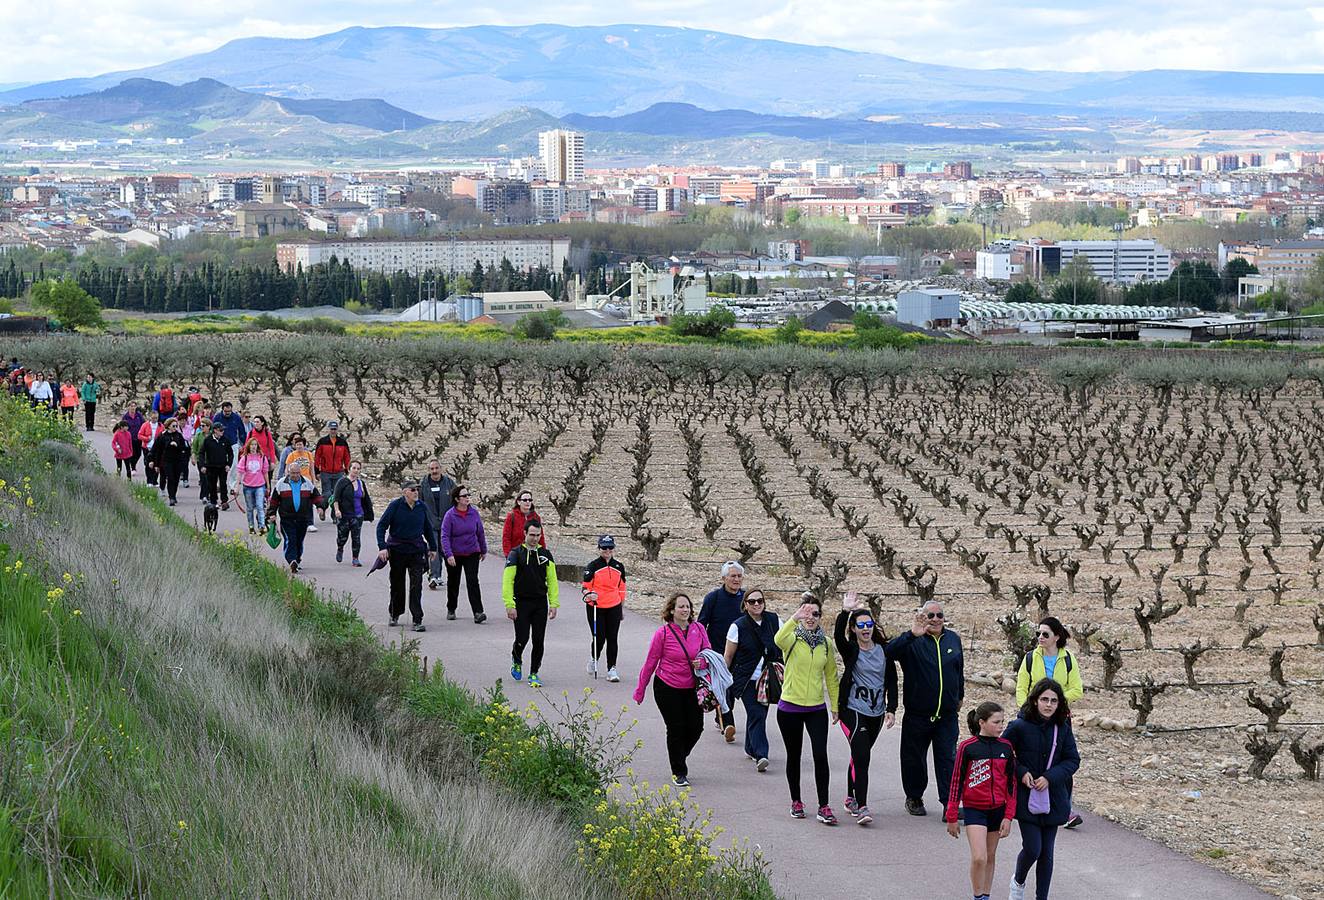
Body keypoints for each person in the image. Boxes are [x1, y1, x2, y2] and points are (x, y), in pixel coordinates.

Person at [1003, 680, 1080, 900]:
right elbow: (1003, 755)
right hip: (1026, 797)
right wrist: (1021, 772)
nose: (1048, 704)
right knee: (1033, 848)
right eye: (1044, 699)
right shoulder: (1018, 726)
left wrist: (1050, 777)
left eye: (1054, 701)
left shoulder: (1062, 728)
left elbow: (1072, 759)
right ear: (1035, 700)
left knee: (1047, 854)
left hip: (1053, 798)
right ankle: (1018, 881)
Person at [888, 599, 965, 817]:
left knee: (948, 759)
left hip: (947, 715)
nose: (935, 620)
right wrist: (912, 634)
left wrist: (960, 694)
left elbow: (959, 670)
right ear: (921, 617)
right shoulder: (912, 640)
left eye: (939, 615)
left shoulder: (953, 639)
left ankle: (948, 805)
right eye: (930, 616)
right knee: (914, 759)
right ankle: (914, 797)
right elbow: (887, 653)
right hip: (918, 714)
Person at [634, 592, 711, 788]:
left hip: (692, 686)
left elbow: (708, 653)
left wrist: (701, 662)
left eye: (688, 607)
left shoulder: (699, 629)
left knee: (696, 727)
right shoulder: (663, 634)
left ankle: (678, 755)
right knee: (676, 728)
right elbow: (651, 662)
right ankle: (679, 771)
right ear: (671, 610)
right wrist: (640, 689)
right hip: (667, 686)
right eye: (681, 607)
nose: (685, 610)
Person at [834, 592, 898, 826]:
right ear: (853, 629)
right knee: (862, 757)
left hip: (876, 712)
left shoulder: (884, 651)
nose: (865, 629)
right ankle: (862, 806)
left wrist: (891, 708)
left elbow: (891, 679)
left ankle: (850, 797)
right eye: (860, 625)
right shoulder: (851, 650)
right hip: (852, 710)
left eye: (868, 624)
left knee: (858, 756)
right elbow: (837, 638)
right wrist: (844, 611)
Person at [775, 595, 840, 825]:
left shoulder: (826, 643)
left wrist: (835, 706)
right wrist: (794, 618)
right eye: (806, 613)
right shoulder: (791, 638)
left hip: (816, 708)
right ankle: (796, 801)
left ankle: (824, 806)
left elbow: (831, 676)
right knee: (794, 755)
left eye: (815, 614)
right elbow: (778, 638)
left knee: (820, 755)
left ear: (821, 617)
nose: (810, 617)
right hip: (789, 706)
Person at [1016, 616, 1085, 829]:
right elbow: (1021, 688)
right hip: (1032, 719)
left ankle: (1065, 809)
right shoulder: (1029, 658)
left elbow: (1077, 689)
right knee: (1032, 760)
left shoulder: (1068, 659)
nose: (1040, 638)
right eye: (1038, 633)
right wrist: (1029, 709)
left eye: (1045, 634)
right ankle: (1030, 804)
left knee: (1062, 763)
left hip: (1060, 719)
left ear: (1057, 636)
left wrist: (1054, 700)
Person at [947, 702, 1017, 900]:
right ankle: (977, 896)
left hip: (998, 809)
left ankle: (986, 895)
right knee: (979, 857)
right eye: (996, 722)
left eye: (1002, 721)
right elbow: (956, 782)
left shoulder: (1006, 747)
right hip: (974, 809)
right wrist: (952, 814)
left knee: (990, 856)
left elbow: (1012, 784)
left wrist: (1009, 816)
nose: (1001, 726)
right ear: (982, 723)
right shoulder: (967, 748)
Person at [723, 588, 781, 773]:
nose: (757, 604)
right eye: (752, 601)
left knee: (759, 714)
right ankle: (761, 754)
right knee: (756, 713)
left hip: (768, 679)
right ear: (745, 605)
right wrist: (723, 679)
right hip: (746, 679)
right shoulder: (737, 626)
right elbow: (729, 656)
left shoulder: (774, 621)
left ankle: (750, 747)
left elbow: (786, 642)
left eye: (760, 601)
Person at [375, 480, 438, 631]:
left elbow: (428, 528)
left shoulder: (421, 507)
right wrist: (382, 547)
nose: (416, 492)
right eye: (412, 489)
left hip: (416, 550)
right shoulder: (395, 506)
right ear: (405, 492)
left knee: (416, 585)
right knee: (397, 584)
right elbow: (381, 526)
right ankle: (395, 613)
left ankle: (417, 619)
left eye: (417, 489)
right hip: (397, 550)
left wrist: (433, 548)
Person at [502, 519, 558, 688]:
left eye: (538, 535)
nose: (535, 538)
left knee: (539, 640)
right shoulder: (515, 554)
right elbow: (507, 581)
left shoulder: (546, 555)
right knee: (523, 637)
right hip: (521, 602)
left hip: (540, 602)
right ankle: (516, 657)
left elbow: (553, 580)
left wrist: (554, 603)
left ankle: (534, 673)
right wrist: (509, 604)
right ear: (524, 534)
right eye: (532, 535)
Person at [698, 561, 746, 741]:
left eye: (739, 576)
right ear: (724, 578)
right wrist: (701, 648)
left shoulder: (746, 598)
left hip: (741, 653)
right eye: (732, 576)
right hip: (717, 652)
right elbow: (701, 624)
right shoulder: (713, 598)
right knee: (722, 687)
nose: (736, 579)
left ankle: (722, 715)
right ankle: (728, 724)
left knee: (732, 688)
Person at [581, 534, 627, 681]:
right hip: (596, 606)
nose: (607, 550)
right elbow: (585, 587)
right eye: (604, 547)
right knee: (599, 637)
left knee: (612, 638)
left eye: (610, 547)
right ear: (599, 548)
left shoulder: (619, 566)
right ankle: (594, 659)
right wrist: (590, 594)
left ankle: (611, 669)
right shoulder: (593, 566)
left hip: (614, 606)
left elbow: (622, 588)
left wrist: (621, 607)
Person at [266, 459, 324, 573]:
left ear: (300, 472)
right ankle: (291, 560)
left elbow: (316, 495)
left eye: (297, 473)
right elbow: (273, 501)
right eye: (293, 473)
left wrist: (320, 506)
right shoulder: (281, 484)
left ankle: (297, 559)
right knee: (290, 539)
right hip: (287, 518)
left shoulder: (307, 483)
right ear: (288, 472)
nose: (295, 475)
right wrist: (272, 514)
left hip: (303, 518)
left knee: (299, 540)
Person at [441, 484, 488, 624]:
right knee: (453, 582)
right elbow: (444, 536)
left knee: (473, 581)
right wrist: (448, 554)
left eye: (468, 495)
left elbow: (480, 532)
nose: (467, 498)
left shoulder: (474, 513)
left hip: (472, 552)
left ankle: (478, 612)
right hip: (455, 554)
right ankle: (451, 608)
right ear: (457, 499)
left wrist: (483, 549)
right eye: (464, 496)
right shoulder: (450, 515)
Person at [418, 459, 456, 590]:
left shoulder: (449, 483)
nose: (434, 471)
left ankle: (448, 575)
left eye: (436, 468)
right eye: (432, 469)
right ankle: (434, 576)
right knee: (433, 548)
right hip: (430, 522)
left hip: (446, 522)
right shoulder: (423, 484)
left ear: (441, 468)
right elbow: (419, 503)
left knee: (446, 549)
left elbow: (456, 501)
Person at [333, 460, 373, 566]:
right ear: (349, 469)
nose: (356, 470)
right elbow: (335, 498)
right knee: (343, 537)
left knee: (356, 538)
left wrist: (369, 513)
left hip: (358, 514)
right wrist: (337, 510)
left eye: (358, 468)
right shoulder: (342, 482)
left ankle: (355, 559)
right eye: (354, 468)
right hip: (344, 515)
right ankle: (340, 548)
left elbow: (365, 499)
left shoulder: (361, 483)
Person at [313, 421, 351, 523]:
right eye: (331, 429)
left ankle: (335, 515)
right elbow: (317, 457)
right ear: (328, 429)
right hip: (325, 472)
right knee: (327, 493)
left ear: (337, 430)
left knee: (337, 494)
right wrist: (317, 471)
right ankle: (323, 508)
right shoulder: (322, 441)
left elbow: (347, 457)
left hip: (339, 472)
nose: (333, 431)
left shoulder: (342, 442)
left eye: (335, 429)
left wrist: (347, 470)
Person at [235, 436, 271, 534]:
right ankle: (251, 526)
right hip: (248, 486)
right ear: (249, 446)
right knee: (250, 507)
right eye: (252, 445)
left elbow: (265, 472)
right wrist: (237, 486)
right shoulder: (245, 458)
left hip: (260, 485)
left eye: (255, 445)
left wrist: (268, 486)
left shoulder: (262, 457)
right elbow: (240, 473)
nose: (253, 447)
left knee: (260, 506)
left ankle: (261, 526)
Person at [149, 418, 190, 505]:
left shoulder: (179, 435)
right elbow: (157, 450)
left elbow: (184, 448)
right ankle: (171, 497)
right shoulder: (162, 436)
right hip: (167, 461)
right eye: (173, 426)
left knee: (176, 479)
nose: (175, 427)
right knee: (170, 478)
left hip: (177, 460)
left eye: (176, 426)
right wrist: (155, 463)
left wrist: (177, 446)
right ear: (168, 426)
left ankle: (174, 495)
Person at [211, 401, 246, 497]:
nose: (227, 413)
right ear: (222, 410)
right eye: (226, 411)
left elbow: (241, 431)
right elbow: (212, 430)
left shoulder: (236, 417)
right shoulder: (217, 417)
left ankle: (233, 486)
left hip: (233, 443)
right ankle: (220, 484)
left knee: (234, 465)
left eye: (229, 411)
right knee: (220, 464)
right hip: (220, 444)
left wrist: (244, 443)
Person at [198, 422, 234, 510]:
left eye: (223, 430)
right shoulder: (208, 440)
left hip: (222, 466)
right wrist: (203, 465)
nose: (222, 432)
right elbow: (201, 453)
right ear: (215, 431)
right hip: (211, 466)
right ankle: (213, 501)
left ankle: (224, 501)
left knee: (223, 484)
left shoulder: (225, 440)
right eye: (220, 430)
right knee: (212, 485)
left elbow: (230, 454)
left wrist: (229, 464)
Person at [502, 490, 547, 556]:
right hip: (516, 554)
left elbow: (541, 537)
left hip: (532, 554)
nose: (528, 502)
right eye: (525, 500)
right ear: (519, 502)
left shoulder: (536, 517)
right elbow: (506, 537)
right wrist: (508, 554)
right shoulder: (511, 516)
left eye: (530, 500)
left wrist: (543, 553)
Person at [138, 414, 163, 489]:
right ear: (150, 417)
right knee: (148, 464)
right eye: (153, 418)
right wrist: (146, 438)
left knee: (156, 464)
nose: (154, 419)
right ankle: (149, 481)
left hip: (157, 448)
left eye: (156, 418)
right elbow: (139, 435)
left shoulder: (161, 426)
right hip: (147, 447)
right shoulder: (145, 425)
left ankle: (155, 481)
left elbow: (163, 435)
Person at [122, 405, 146, 475]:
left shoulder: (139, 415)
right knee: (131, 453)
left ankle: (133, 463)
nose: (133, 407)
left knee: (138, 453)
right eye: (131, 406)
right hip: (129, 438)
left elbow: (143, 424)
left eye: (134, 406)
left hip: (138, 437)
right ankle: (133, 467)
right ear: (128, 407)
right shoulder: (125, 417)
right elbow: (122, 427)